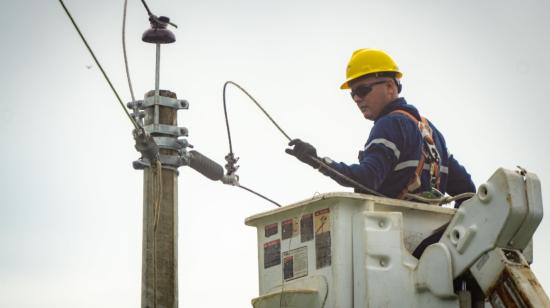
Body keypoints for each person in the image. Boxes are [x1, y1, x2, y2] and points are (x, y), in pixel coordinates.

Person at [286, 48, 475, 206]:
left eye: (362, 90)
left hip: (390, 238)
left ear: (390, 88)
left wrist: (317, 161)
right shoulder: (431, 132)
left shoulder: (390, 125)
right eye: (353, 94)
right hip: (429, 242)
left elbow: (367, 178)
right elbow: (467, 191)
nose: (357, 99)